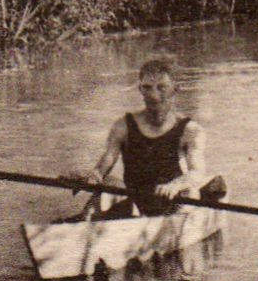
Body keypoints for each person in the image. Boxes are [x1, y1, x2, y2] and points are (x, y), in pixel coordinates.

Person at [63, 59, 207, 217]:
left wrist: (175, 185)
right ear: (140, 89)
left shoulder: (190, 130)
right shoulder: (123, 126)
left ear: (175, 89)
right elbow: (101, 169)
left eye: (162, 87)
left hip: (171, 200)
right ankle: (83, 222)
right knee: (110, 183)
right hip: (136, 201)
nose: (154, 95)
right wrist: (88, 178)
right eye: (147, 88)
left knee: (189, 191)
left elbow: (198, 172)